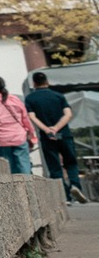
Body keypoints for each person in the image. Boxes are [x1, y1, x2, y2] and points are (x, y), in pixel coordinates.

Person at [24, 71, 84, 199]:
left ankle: (63, 195)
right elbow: (68, 114)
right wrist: (56, 128)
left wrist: (47, 129)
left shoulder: (30, 99)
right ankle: (75, 185)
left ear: (34, 83)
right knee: (70, 162)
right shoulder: (58, 96)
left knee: (54, 165)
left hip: (47, 136)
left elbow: (32, 117)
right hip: (64, 133)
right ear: (47, 81)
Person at [0, 76, 36, 175]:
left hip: (1, 139)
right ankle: (27, 183)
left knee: (8, 168)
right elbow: (25, 118)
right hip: (19, 136)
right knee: (24, 165)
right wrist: (31, 134)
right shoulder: (15, 99)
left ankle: (13, 184)